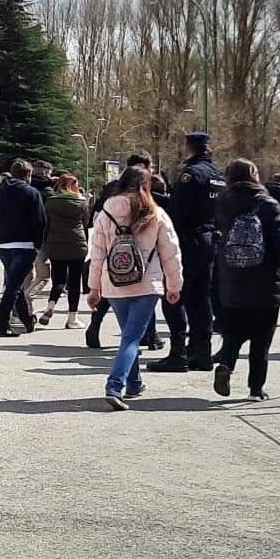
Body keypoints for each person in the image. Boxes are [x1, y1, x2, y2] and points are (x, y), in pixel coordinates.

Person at [85, 166, 184, 411]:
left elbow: (96, 254)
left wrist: (94, 287)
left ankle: (134, 382)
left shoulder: (106, 212)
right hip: (146, 284)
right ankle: (114, 386)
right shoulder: (154, 212)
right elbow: (170, 253)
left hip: (113, 283)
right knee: (131, 338)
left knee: (129, 336)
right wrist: (174, 285)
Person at [210, 159, 280, 401]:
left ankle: (226, 364)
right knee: (261, 339)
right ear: (252, 174)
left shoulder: (223, 203)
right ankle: (255, 389)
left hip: (231, 279)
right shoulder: (269, 205)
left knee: (234, 332)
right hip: (265, 281)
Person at [149, 132, 225, 374]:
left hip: (188, 240)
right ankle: (201, 352)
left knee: (174, 295)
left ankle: (177, 353)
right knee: (201, 298)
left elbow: (177, 212)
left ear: (188, 149)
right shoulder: (218, 176)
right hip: (210, 238)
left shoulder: (190, 175)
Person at [82, 152, 158, 350]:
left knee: (111, 287)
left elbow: (97, 214)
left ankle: (95, 325)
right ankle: (148, 335)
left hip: (111, 246)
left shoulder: (112, 186)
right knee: (144, 289)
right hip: (139, 247)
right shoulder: (143, 190)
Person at [0, 160, 46, 337]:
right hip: (24, 245)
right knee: (14, 286)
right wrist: (38, 245)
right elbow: (39, 221)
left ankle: (27, 320)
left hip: (3, 244)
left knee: (16, 284)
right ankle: (1, 323)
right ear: (28, 175)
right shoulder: (31, 193)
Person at [38, 172, 90, 328]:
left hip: (55, 245)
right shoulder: (82, 203)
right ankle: (72, 318)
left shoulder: (50, 203)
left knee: (59, 280)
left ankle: (50, 307)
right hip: (77, 246)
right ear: (74, 186)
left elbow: (45, 224)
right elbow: (86, 222)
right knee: (74, 283)